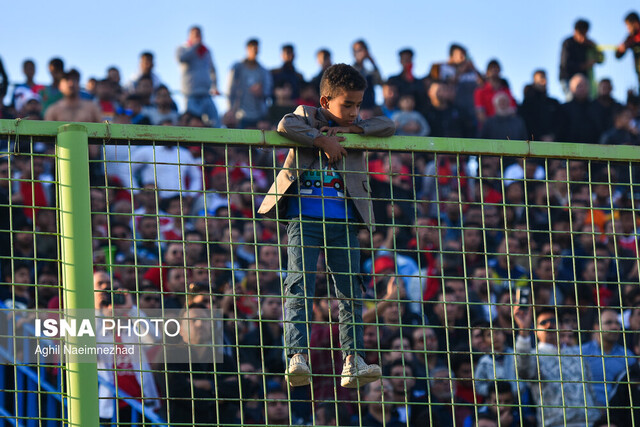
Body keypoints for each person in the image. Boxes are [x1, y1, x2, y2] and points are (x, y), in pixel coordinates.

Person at [258, 63, 395, 388]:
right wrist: (322, 140)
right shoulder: (306, 116)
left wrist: (355, 131)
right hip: (304, 218)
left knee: (350, 292)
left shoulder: (359, 125)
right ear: (325, 101)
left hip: (344, 220)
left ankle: (353, 361)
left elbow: (388, 125)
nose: (353, 111)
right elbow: (284, 124)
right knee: (299, 284)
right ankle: (296, 356)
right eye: (346, 104)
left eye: (358, 104)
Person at [514, 305, 599, 426]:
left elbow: (590, 388)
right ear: (535, 331)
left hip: (589, 422)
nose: (549, 325)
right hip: (556, 423)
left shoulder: (577, 354)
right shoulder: (533, 356)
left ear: (562, 327)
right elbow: (523, 370)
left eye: (553, 321)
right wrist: (523, 331)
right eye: (543, 322)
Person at [581, 308, 632, 408]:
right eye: (609, 322)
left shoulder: (628, 356)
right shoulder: (580, 353)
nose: (614, 326)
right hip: (587, 411)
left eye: (617, 323)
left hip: (618, 413)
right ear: (596, 327)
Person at [176, 25, 220, 127]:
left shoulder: (206, 51)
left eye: (199, 34)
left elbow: (213, 70)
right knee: (193, 124)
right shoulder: (183, 48)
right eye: (195, 34)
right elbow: (181, 58)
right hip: (191, 95)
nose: (198, 36)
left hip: (206, 94)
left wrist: (215, 85)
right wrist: (194, 46)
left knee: (215, 123)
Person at [227, 38, 273, 129]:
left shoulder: (263, 71)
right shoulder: (237, 68)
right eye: (252, 48)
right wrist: (231, 110)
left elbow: (269, 91)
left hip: (259, 116)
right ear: (247, 49)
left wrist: (262, 92)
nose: (255, 51)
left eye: (256, 48)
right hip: (240, 115)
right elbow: (230, 89)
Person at [559, 18, 603, 100]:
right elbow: (566, 64)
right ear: (575, 31)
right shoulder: (568, 43)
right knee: (572, 100)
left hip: (585, 80)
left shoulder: (588, 44)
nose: (582, 38)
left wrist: (596, 47)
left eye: (585, 34)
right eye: (581, 34)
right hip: (568, 78)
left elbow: (601, 60)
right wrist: (585, 65)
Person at [352, 39, 383, 109]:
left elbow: (380, 82)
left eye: (364, 49)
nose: (362, 52)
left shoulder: (369, 72)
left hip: (370, 109)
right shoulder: (350, 70)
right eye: (359, 50)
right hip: (356, 109)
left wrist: (373, 63)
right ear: (354, 53)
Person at [615, 11, 640, 89]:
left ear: (635, 23)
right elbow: (617, 55)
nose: (627, 29)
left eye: (628, 26)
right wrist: (621, 49)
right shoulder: (630, 37)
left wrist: (631, 45)